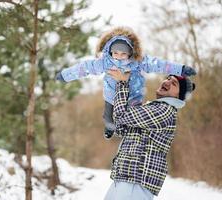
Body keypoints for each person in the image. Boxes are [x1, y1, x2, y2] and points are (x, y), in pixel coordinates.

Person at [56, 26, 196, 139]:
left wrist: (181, 69)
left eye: (123, 54)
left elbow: (159, 65)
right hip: (112, 97)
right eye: (115, 53)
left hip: (134, 95)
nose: (119, 57)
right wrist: (65, 75)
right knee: (108, 117)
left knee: (131, 121)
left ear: (130, 53)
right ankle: (110, 128)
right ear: (110, 51)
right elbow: (84, 68)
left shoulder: (139, 62)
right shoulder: (104, 63)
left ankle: (128, 136)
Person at [104, 68, 196, 200]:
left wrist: (122, 83)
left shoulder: (165, 110)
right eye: (168, 78)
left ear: (178, 96)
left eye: (174, 83)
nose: (167, 82)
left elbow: (121, 116)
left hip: (135, 181)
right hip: (125, 177)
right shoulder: (153, 107)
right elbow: (122, 129)